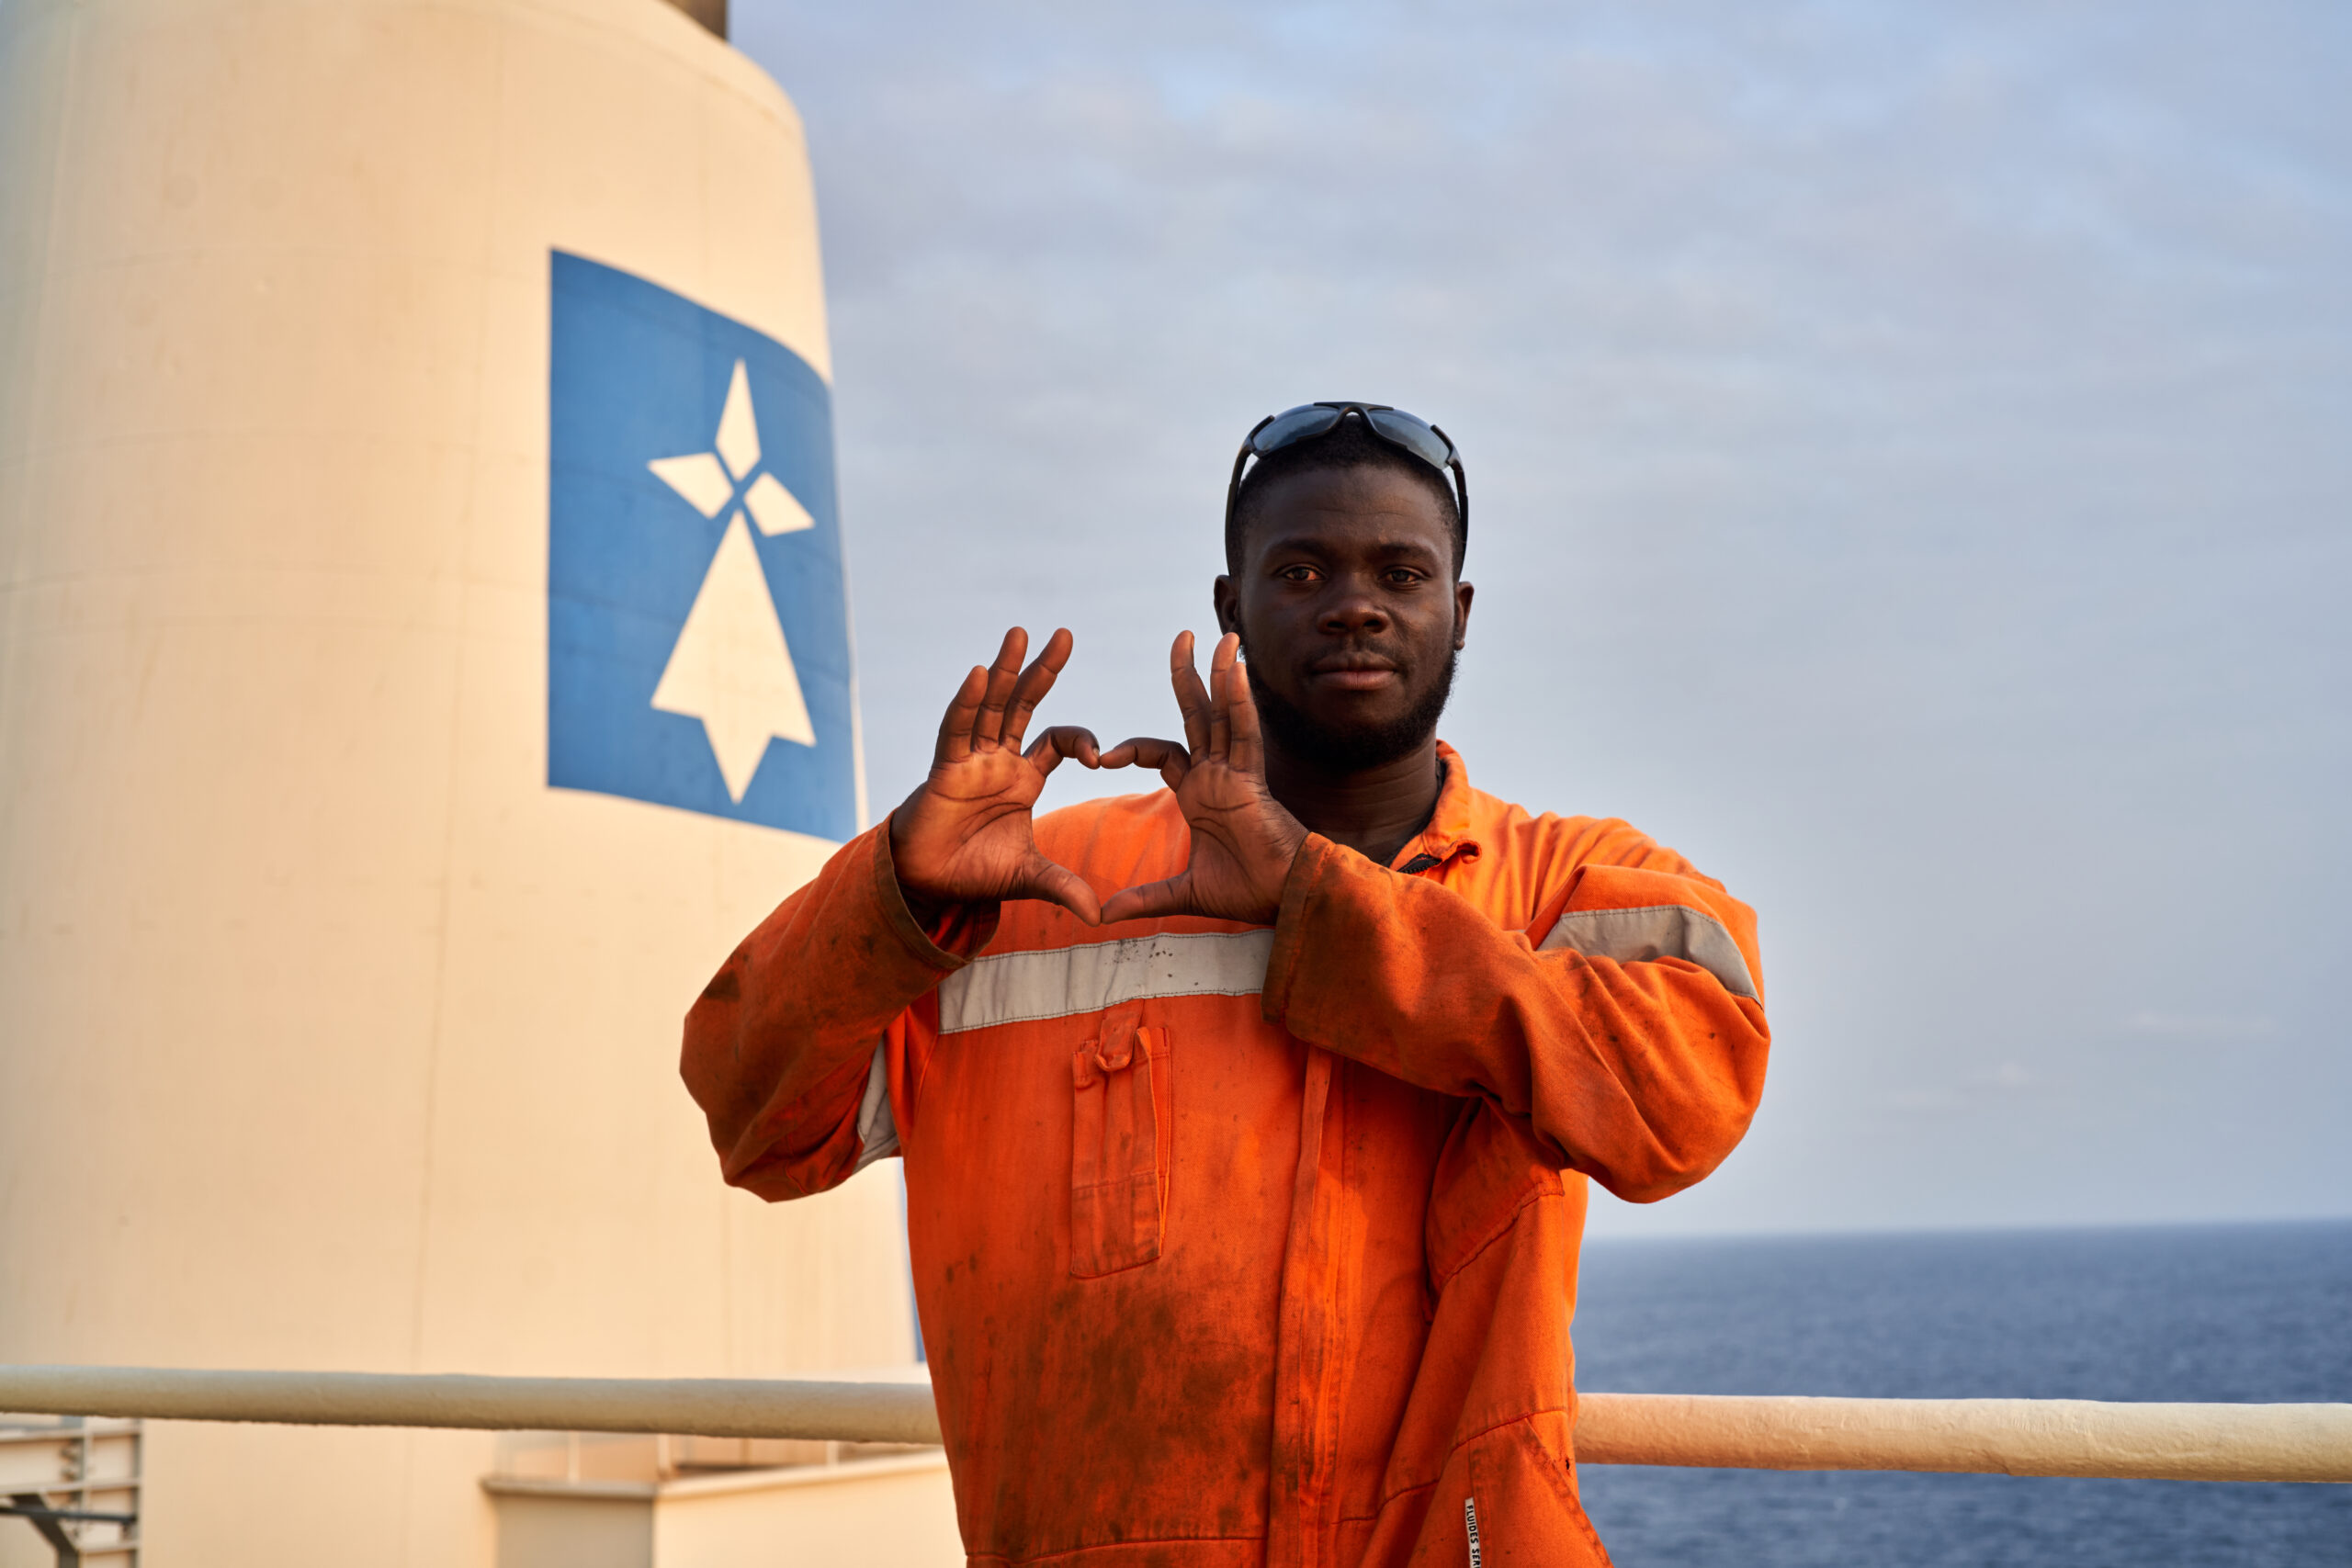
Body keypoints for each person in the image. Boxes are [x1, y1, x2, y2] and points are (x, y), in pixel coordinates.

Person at [682, 402, 1770, 1567]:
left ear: (1456, 616)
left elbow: (1683, 1107)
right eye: (1300, 569)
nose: (1354, 601)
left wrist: (1313, 898)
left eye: (1400, 572)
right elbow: (759, 1122)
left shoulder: (1574, 882)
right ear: (1230, 610)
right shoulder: (1034, 891)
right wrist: (896, 890)